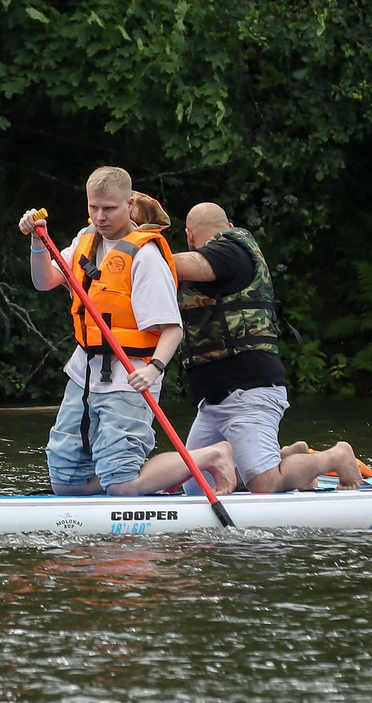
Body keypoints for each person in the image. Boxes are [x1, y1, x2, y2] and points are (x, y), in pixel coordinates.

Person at [18, 170, 239, 498]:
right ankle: (122, 488)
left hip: (130, 376)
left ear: (130, 203)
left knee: (121, 483)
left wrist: (154, 369)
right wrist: (38, 242)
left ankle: (210, 455)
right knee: (65, 481)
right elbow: (44, 280)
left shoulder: (146, 257)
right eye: (94, 208)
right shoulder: (86, 239)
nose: (100, 217)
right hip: (85, 374)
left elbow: (172, 330)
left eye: (109, 209)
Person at [172, 202, 366, 493]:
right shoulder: (227, 251)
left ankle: (336, 456)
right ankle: (289, 459)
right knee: (198, 488)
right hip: (212, 401)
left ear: (189, 236)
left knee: (264, 485)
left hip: (248, 390)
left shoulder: (231, 252)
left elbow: (171, 264)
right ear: (227, 223)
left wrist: (130, 257)